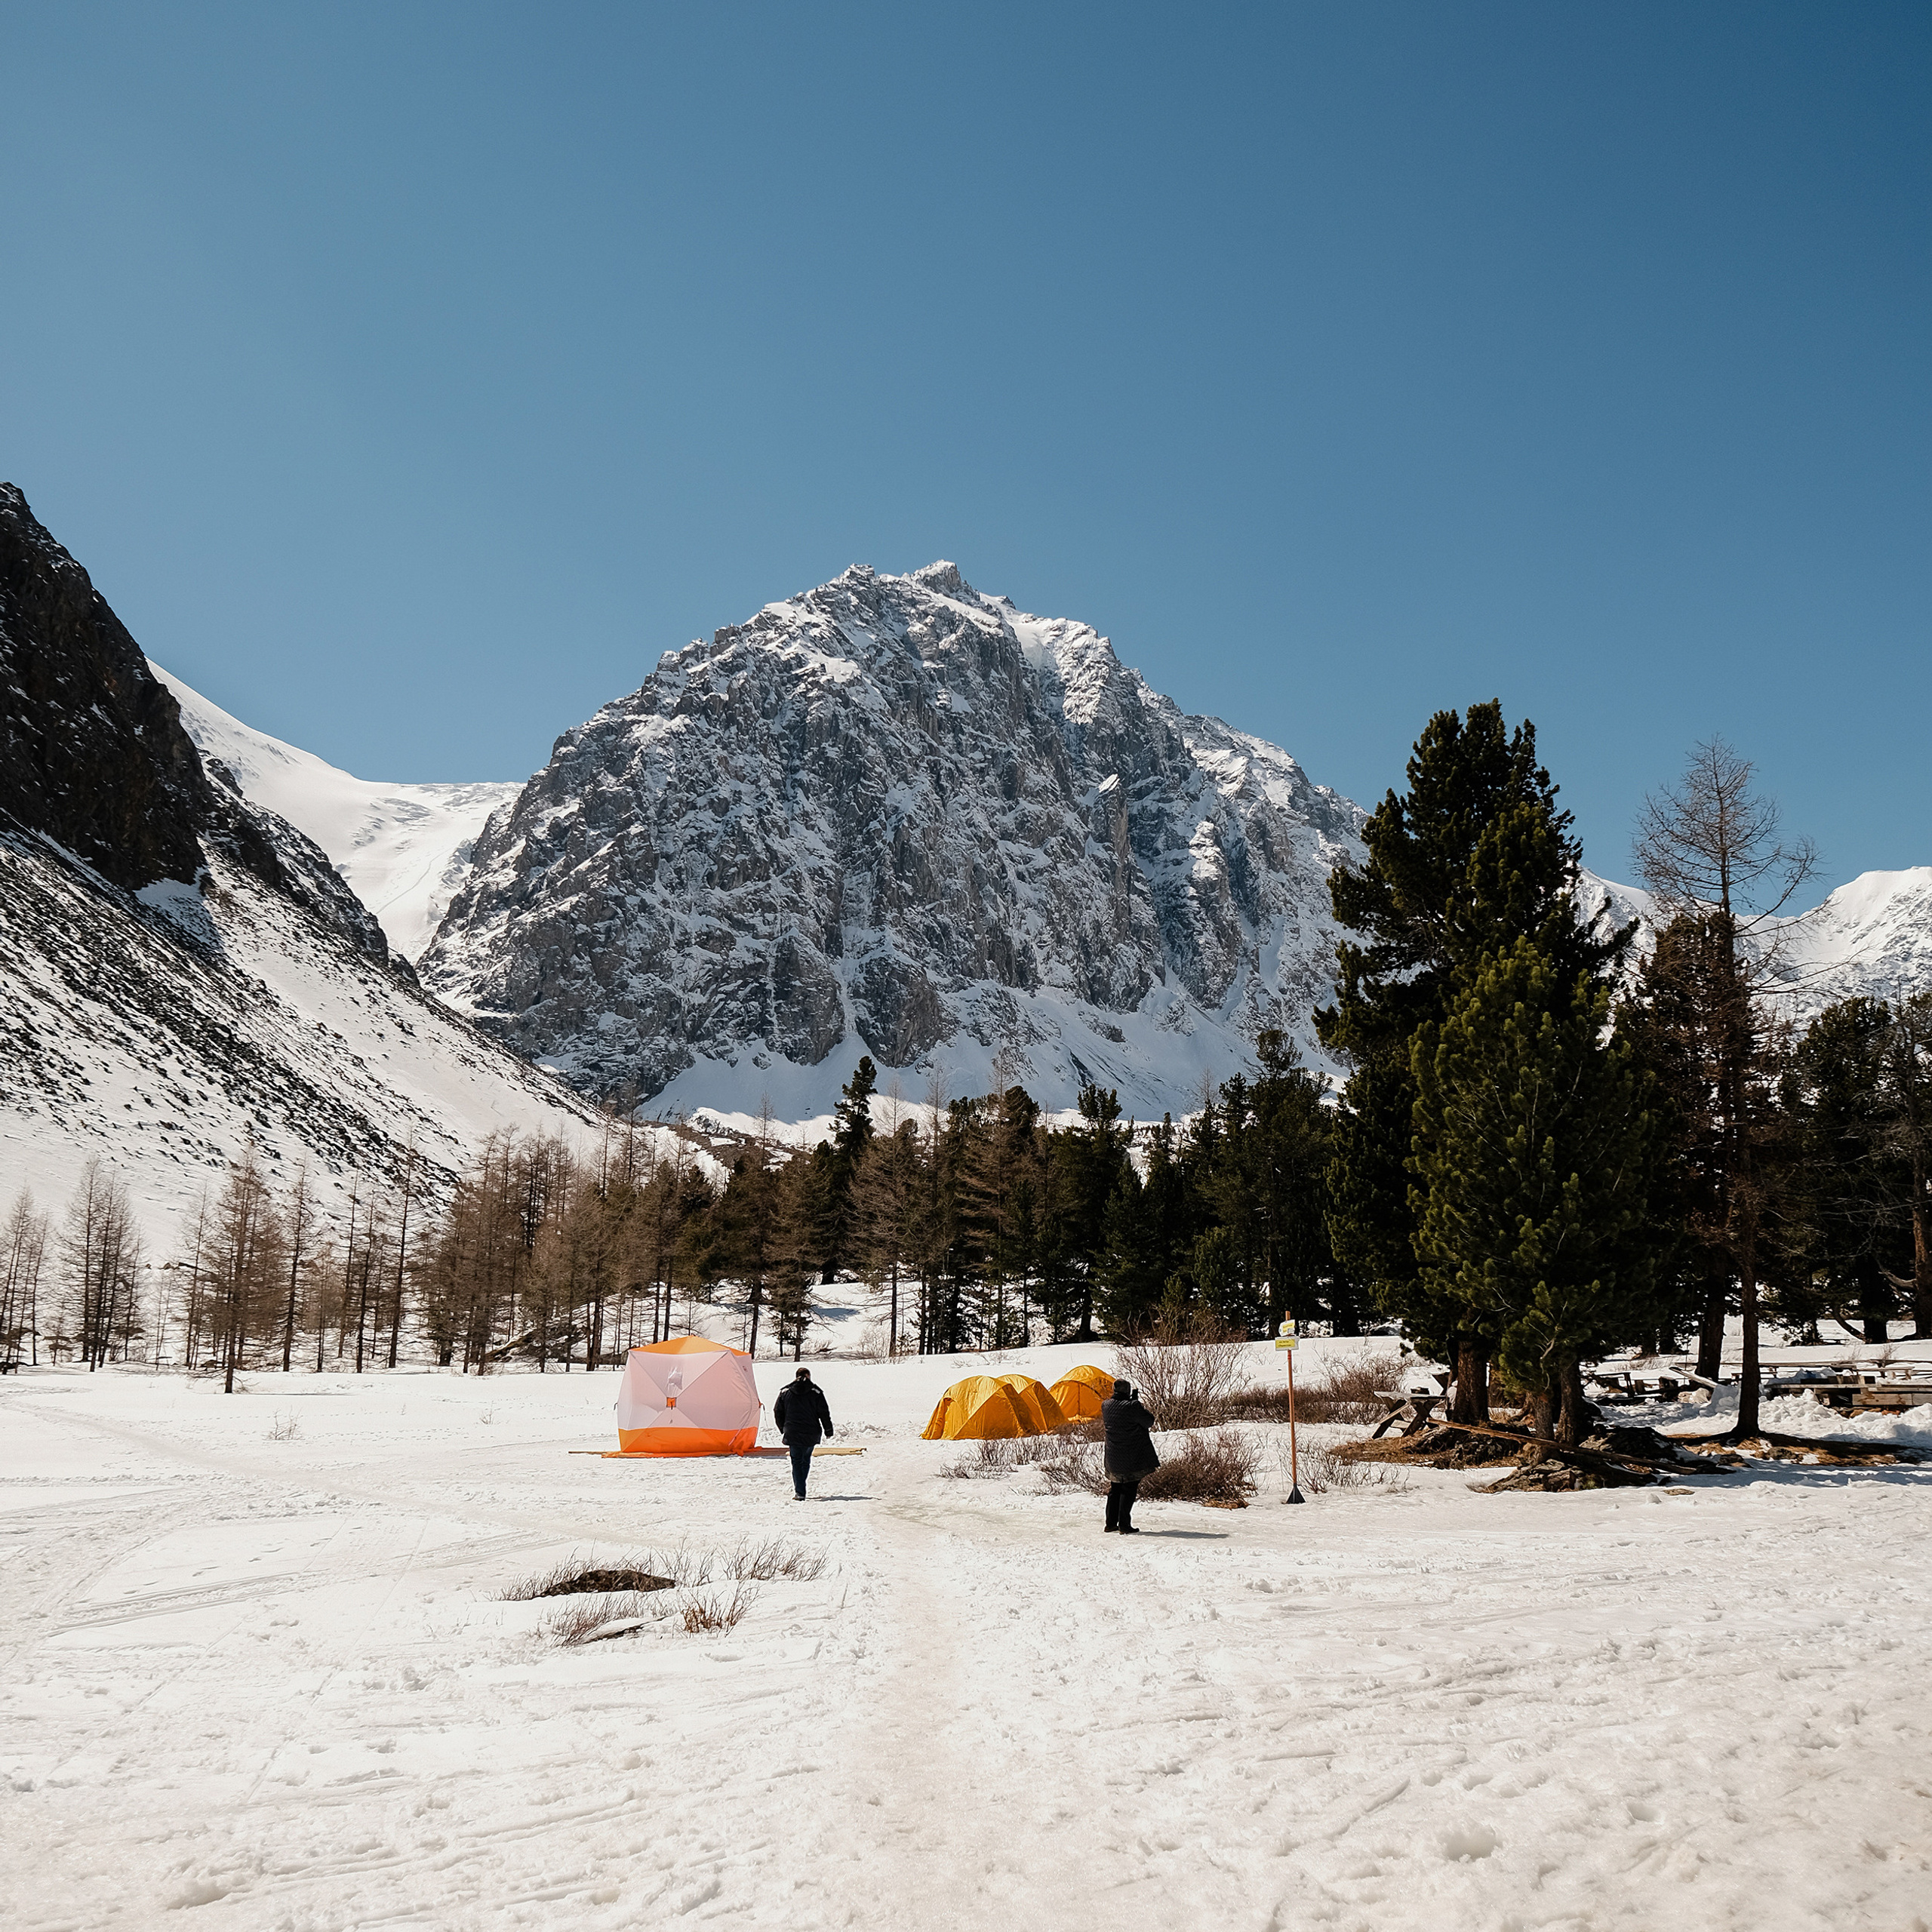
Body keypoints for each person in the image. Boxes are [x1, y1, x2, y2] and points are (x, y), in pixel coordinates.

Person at [1100, 1377, 1158, 1533]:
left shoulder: (1105, 1405)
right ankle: (1125, 1525)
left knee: (1115, 1489)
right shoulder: (1133, 1406)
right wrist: (1136, 1403)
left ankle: (1111, 1523)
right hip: (1131, 1456)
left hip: (1113, 1456)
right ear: (1127, 1391)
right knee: (1129, 1488)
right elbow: (1148, 1421)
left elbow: (1121, 1414)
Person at [773, 1366, 835, 1500]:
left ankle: (800, 1492)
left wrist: (783, 1428)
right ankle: (801, 1489)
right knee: (805, 1460)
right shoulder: (816, 1392)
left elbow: (777, 1411)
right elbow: (824, 1413)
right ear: (808, 1376)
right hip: (811, 1433)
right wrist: (828, 1430)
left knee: (796, 1462)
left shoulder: (785, 1392)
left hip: (793, 1432)